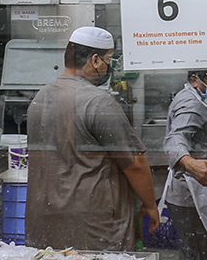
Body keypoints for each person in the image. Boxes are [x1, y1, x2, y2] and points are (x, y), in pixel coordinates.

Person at [26, 26, 159, 251]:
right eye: (109, 60)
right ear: (95, 60)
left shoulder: (41, 98)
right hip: (92, 225)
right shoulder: (97, 102)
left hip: (45, 221)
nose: (109, 66)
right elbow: (134, 164)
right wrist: (150, 206)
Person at [164, 63, 207, 260]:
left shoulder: (195, 97)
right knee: (200, 253)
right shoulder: (191, 104)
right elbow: (175, 139)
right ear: (194, 80)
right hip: (191, 196)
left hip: (196, 193)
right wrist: (190, 163)